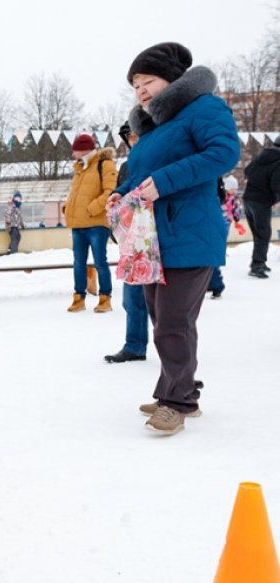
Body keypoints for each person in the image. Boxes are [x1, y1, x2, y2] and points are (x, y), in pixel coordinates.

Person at [108, 42, 240, 434]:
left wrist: (161, 183)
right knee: (162, 318)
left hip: (189, 232)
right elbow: (144, 173)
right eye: (135, 85)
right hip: (154, 240)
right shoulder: (154, 129)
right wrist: (125, 188)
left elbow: (223, 153)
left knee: (173, 321)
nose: (141, 90)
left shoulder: (205, 108)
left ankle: (177, 401)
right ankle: (177, 387)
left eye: (148, 80)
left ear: (173, 79)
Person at [104, 123, 148, 363]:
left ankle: (175, 353)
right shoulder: (127, 165)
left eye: (137, 135)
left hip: (160, 235)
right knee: (132, 297)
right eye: (130, 137)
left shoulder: (161, 158)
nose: (134, 140)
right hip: (133, 238)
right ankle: (134, 345)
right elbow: (123, 195)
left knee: (166, 303)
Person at [64, 133, 117, 313]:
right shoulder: (80, 167)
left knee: (100, 262)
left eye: (75, 151)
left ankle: (105, 298)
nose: (73, 155)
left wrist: (92, 208)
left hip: (96, 223)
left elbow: (110, 191)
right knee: (78, 262)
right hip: (78, 224)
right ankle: (78, 298)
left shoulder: (105, 164)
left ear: (83, 150)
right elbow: (76, 193)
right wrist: (67, 207)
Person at [242, 135, 280, 278]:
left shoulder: (261, 157)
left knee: (259, 234)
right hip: (261, 202)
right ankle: (257, 265)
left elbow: (247, 171)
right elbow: (277, 184)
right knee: (263, 234)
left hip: (248, 199)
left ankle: (259, 263)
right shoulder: (278, 162)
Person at [208, 175, 244, 297]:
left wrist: (237, 221)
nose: (233, 190)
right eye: (231, 188)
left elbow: (236, 211)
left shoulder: (233, 199)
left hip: (224, 223)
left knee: (215, 248)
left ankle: (215, 284)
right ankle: (212, 283)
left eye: (235, 188)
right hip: (216, 222)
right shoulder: (220, 197)